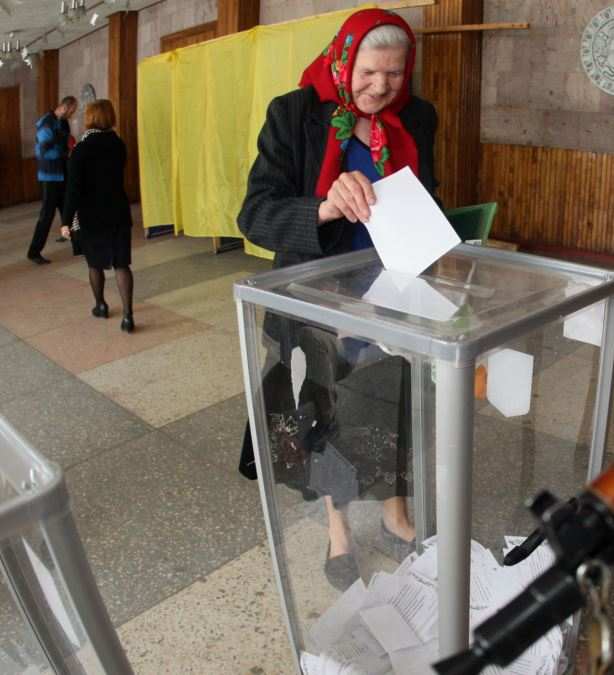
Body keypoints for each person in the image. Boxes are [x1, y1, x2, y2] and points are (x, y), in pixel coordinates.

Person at [236, 8, 437, 590]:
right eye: (369, 73)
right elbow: (254, 214)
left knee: (396, 402)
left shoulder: (418, 118)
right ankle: (338, 528)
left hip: (393, 293)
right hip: (316, 300)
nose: (381, 87)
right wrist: (323, 205)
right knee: (329, 415)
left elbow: (429, 195)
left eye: (396, 75)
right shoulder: (294, 114)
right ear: (343, 60)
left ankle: (395, 513)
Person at [61, 99, 136, 333]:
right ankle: (127, 316)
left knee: (95, 264)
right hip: (118, 212)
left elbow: (73, 188)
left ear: (90, 119)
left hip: (92, 216)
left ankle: (101, 305)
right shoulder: (118, 144)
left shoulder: (81, 149)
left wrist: (66, 220)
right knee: (121, 264)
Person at [26, 95, 77, 265]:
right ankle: (34, 252)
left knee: (67, 210)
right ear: (64, 107)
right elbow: (43, 152)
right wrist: (65, 154)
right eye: (71, 111)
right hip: (49, 176)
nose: (71, 115)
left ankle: (79, 245)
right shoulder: (45, 124)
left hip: (63, 173)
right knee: (46, 216)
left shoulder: (63, 123)